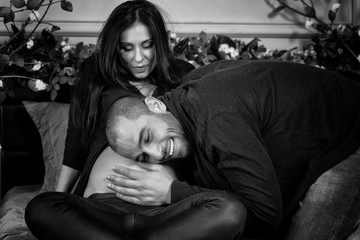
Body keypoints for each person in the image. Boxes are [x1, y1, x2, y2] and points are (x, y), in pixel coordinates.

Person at [102, 60, 360, 239]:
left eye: (148, 136)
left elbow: (266, 213)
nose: (157, 155)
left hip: (351, 138)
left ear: (155, 105)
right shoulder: (186, 105)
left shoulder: (215, 117)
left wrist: (172, 192)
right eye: (144, 156)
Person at [54, 0, 194, 196]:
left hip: (164, 198)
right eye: (127, 47)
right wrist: (59, 197)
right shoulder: (95, 72)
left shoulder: (182, 73)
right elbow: (76, 145)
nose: (138, 58)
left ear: (160, 42)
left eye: (147, 45)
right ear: (115, 47)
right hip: (103, 195)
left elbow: (198, 140)